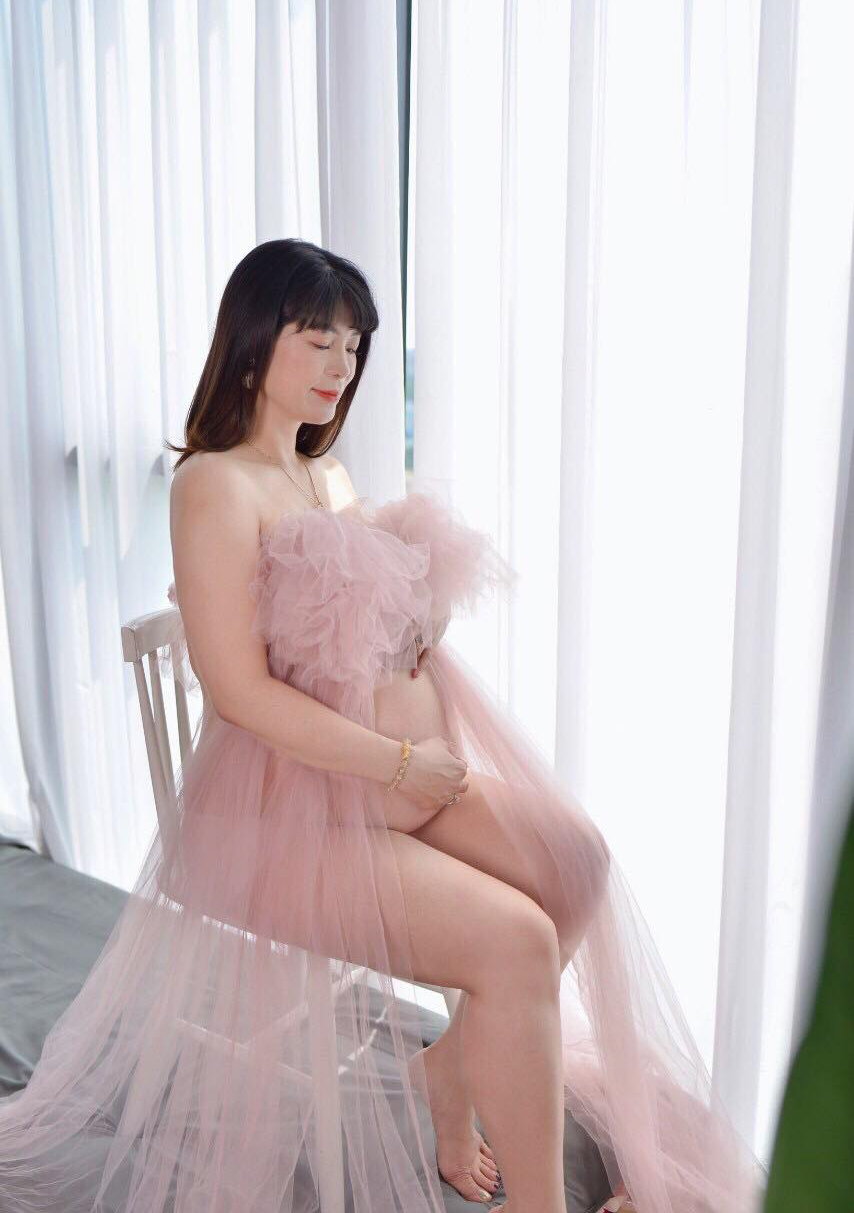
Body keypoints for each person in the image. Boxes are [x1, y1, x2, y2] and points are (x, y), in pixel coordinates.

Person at [0, 238, 768, 1213]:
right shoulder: (213, 484)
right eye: (318, 339)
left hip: (376, 781)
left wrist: (417, 618)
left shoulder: (323, 473)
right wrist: (400, 761)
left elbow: (343, 624)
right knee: (518, 942)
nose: (341, 366)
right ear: (252, 341)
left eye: (354, 346)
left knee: (576, 859)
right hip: (279, 814)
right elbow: (239, 692)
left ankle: (447, 1068)